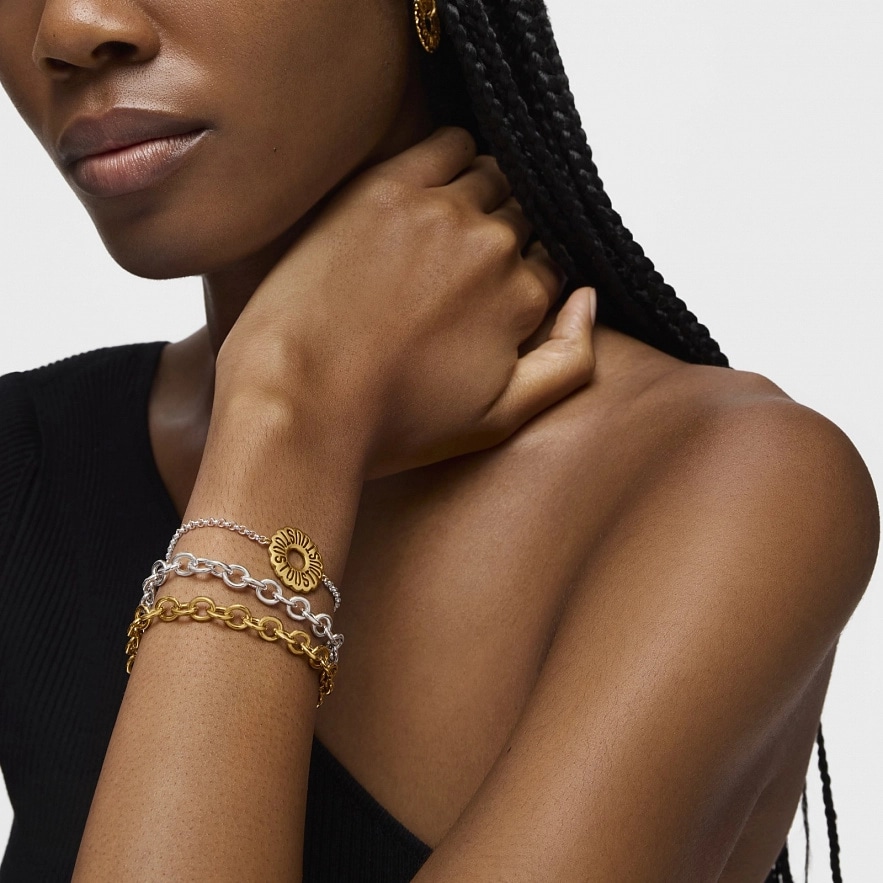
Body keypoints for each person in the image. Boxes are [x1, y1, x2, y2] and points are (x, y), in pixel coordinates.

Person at [0, 1, 877, 881]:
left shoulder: (727, 488)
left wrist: (287, 413)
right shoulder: (24, 461)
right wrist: (285, 423)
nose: (68, 28)